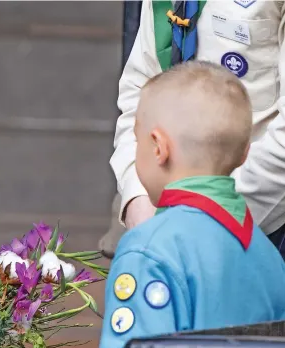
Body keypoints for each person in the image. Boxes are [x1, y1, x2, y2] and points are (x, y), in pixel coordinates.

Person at [2, 61, 285, 348]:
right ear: (246, 153)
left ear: (158, 146)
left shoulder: (148, 248)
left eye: (136, 139)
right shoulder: (267, 254)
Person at [100, 0, 285, 259]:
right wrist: (137, 198)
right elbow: (140, 87)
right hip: (157, 218)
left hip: (258, 222)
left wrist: (204, 224)